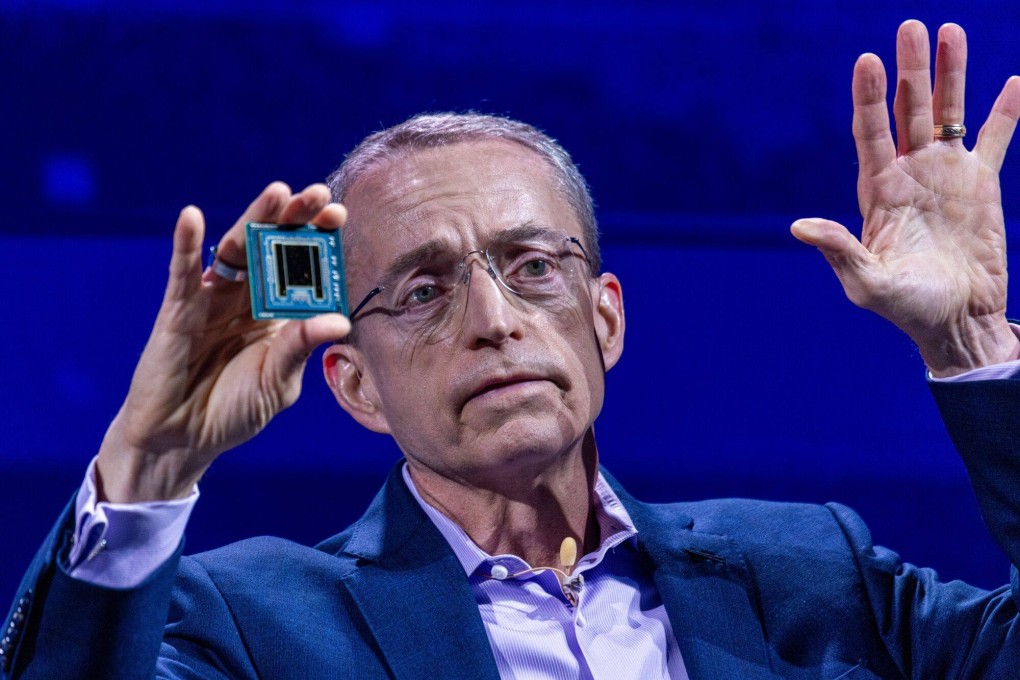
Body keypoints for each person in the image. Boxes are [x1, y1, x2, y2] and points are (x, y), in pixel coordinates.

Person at [4, 19, 1020, 679]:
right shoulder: (251, 622)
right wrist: (148, 463)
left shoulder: (813, 572)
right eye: (423, 288)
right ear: (353, 382)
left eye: (533, 264)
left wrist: (973, 343)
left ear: (606, 318)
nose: (493, 316)